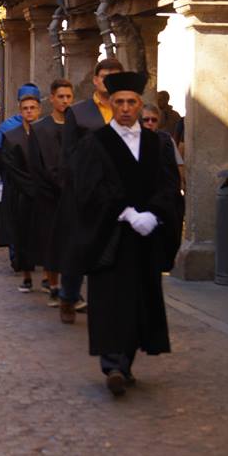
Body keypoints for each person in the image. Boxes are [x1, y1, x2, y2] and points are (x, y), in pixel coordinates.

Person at [67, 72, 180, 397]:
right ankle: (112, 364)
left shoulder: (156, 143)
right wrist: (127, 213)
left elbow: (168, 186)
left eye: (132, 102)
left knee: (137, 301)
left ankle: (126, 362)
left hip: (145, 238)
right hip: (109, 236)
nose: (126, 108)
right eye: (120, 102)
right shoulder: (95, 143)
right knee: (109, 300)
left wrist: (153, 215)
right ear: (111, 104)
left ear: (140, 105)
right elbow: (89, 189)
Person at [56, 58, 124, 321]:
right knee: (79, 247)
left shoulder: (127, 109)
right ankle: (68, 297)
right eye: (104, 76)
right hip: (85, 192)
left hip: (118, 193)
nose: (108, 81)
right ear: (95, 80)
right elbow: (68, 154)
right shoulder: (79, 112)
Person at [28, 79, 74, 302]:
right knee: (50, 242)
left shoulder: (78, 128)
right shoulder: (40, 129)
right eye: (61, 96)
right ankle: (54, 285)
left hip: (72, 196)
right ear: (52, 98)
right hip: (48, 197)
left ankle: (68, 288)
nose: (65, 100)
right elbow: (35, 165)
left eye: (68, 96)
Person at [0, 86, 42, 292]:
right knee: (22, 235)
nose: (29, 112)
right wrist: (31, 186)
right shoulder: (11, 135)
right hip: (20, 193)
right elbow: (10, 165)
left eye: (33, 108)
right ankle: (26, 275)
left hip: (44, 193)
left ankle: (50, 279)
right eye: (25, 108)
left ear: (39, 109)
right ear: (20, 109)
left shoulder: (47, 132)